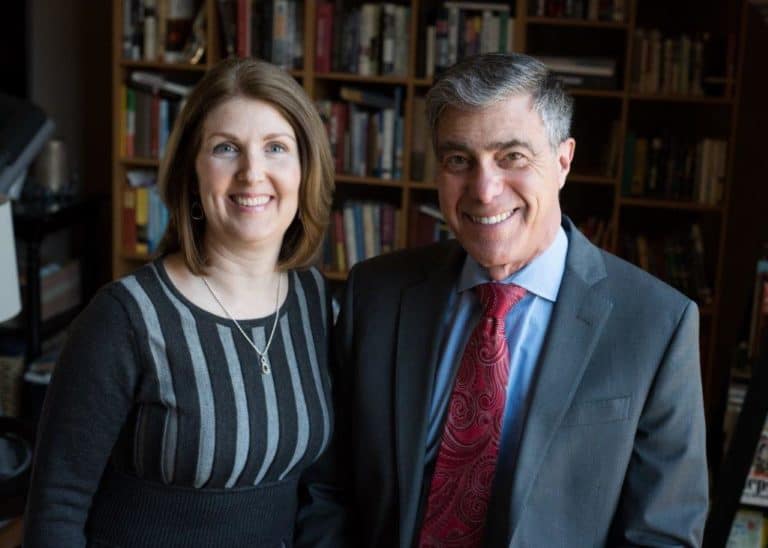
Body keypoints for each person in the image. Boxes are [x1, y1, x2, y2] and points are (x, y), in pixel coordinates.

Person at [336, 52, 708, 547]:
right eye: (458, 160)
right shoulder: (376, 295)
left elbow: (662, 535)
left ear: (562, 160)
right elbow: (328, 485)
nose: (485, 191)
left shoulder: (657, 324)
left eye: (512, 157)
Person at [24, 58, 344, 547]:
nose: (251, 173)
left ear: (305, 170)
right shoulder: (126, 318)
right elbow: (55, 512)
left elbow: (320, 486)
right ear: (192, 173)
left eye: (276, 148)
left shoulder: (314, 303)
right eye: (226, 149)